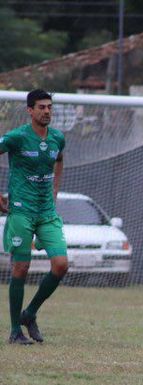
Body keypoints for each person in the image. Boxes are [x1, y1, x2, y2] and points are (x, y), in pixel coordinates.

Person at [0, 89, 69, 345]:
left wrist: (55, 190)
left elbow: (59, 160)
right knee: (21, 267)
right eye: (41, 107)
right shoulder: (17, 137)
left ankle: (29, 314)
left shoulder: (58, 138)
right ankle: (15, 331)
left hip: (46, 212)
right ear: (30, 110)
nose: (47, 111)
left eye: (50, 107)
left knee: (61, 264)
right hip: (21, 210)